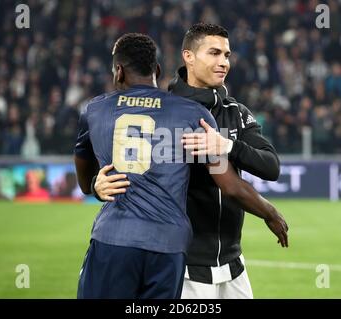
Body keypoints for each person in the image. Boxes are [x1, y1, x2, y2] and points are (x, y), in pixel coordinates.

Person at [74, 33, 288, 299]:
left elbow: (269, 167)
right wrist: (269, 212)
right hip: (176, 252)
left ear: (118, 71)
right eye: (214, 53)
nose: (223, 62)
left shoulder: (97, 109)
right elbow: (230, 184)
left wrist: (227, 145)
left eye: (226, 55)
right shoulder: (185, 112)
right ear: (182, 59)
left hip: (124, 240)